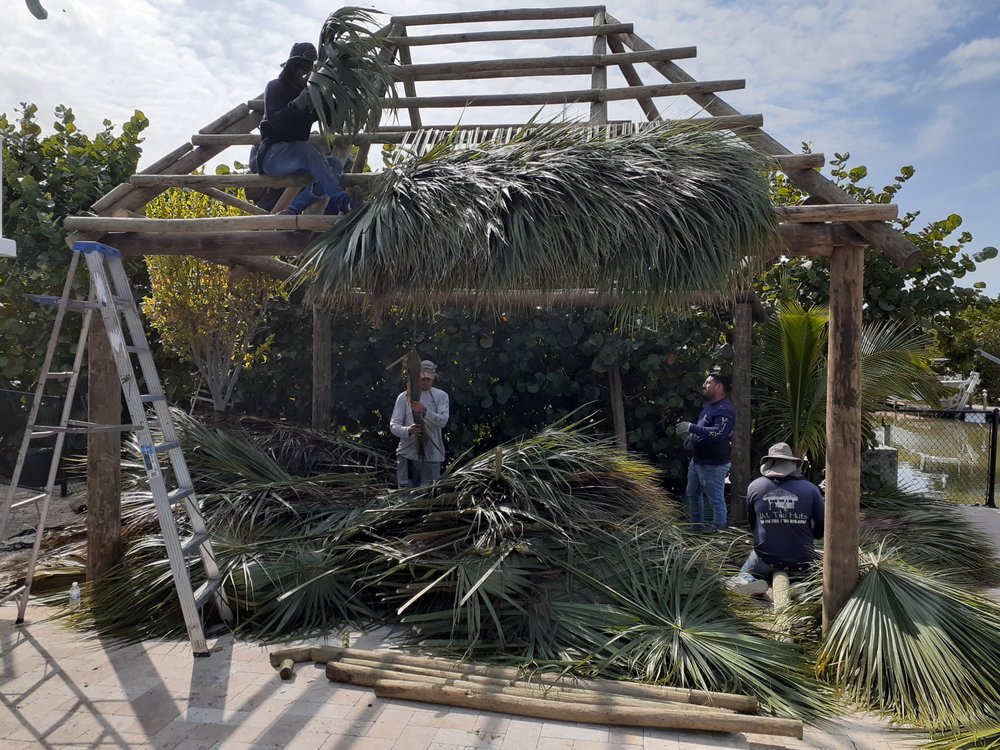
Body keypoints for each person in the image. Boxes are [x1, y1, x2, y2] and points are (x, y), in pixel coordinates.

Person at [255, 42, 361, 216]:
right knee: (306, 149)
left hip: (298, 158)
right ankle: (343, 202)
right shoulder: (276, 87)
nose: (304, 72)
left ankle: (293, 208)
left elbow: (331, 119)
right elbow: (276, 122)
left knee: (334, 164)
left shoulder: (312, 95)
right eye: (302, 67)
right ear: (292, 67)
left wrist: (341, 98)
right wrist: (297, 105)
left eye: (309, 67)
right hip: (273, 155)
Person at [727, 443, 825, 595]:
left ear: (769, 464)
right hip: (802, 561)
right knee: (809, 571)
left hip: (767, 559)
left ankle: (750, 581)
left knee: (744, 573)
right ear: (792, 465)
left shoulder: (755, 486)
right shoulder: (811, 489)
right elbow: (821, 528)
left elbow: (753, 524)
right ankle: (799, 584)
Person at [675, 374, 735, 532]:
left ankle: (719, 534)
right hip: (698, 461)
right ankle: (697, 528)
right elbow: (705, 427)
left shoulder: (725, 410)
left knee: (716, 501)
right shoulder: (709, 405)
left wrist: (691, 427)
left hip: (714, 464)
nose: (703, 385)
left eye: (708, 383)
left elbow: (719, 433)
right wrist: (691, 438)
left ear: (719, 386)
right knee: (693, 494)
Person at [389, 360, 450, 488]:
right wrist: (408, 431)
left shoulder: (441, 396)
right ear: (417, 377)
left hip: (432, 455)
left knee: (428, 495)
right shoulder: (404, 396)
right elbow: (394, 425)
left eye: (429, 378)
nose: (425, 381)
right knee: (406, 494)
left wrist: (425, 411)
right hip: (407, 454)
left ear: (433, 378)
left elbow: (443, 421)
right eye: (422, 377)